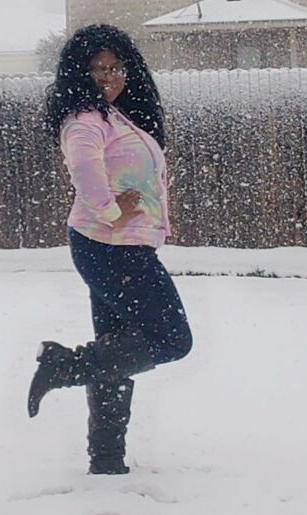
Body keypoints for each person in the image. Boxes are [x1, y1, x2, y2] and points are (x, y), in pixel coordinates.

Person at [27, 24, 193, 475]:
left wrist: (144, 217)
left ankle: (106, 459)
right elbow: (83, 169)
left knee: (115, 347)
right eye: (97, 68)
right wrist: (113, 212)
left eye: (115, 67)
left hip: (114, 246)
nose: (108, 76)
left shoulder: (116, 116)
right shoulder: (86, 119)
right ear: (78, 73)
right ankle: (61, 366)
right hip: (111, 247)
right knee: (172, 338)